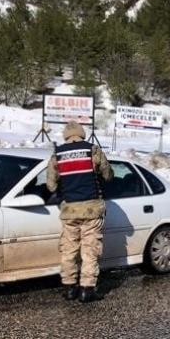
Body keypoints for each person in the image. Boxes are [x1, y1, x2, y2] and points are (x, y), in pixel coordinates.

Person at [46, 121, 114, 303]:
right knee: (90, 251)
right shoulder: (92, 150)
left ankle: (69, 288)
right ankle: (87, 290)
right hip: (92, 210)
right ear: (82, 134)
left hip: (69, 211)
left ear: (65, 136)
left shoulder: (57, 155)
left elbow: (51, 185)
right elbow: (108, 175)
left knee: (69, 251)